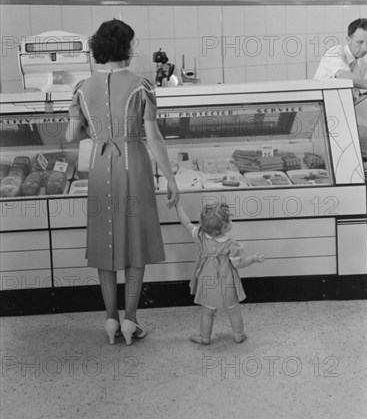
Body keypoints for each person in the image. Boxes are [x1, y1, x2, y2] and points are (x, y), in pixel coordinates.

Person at [65, 19, 179, 345]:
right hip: (134, 164)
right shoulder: (142, 85)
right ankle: (131, 320)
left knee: (105, 243)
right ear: (125, 48)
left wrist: (92, 131)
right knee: (135, 246)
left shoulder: (82, 89)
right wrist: (170, 179)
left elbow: (71, 134)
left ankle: (110, 320)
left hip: (100, 165)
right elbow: (154, 137)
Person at [175, 201, 264, 345]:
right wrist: (253, 259)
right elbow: (238, 264)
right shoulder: (231, 245)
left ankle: (204, 337)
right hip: (226, 281)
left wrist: (178, 206)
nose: (232, 221)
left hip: (207, 282)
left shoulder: (201, 236)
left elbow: (186, 223)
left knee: (207, 311)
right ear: (224, 226)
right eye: (230, 220)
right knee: (233, 310)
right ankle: (238, 335)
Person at [313, 18, 367, 97]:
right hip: (319, 104)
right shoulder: (333, 53)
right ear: (348, 40)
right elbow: (341, 75)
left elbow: (358, 90)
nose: (365, 48)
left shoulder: (363, 62)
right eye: (360, 42)